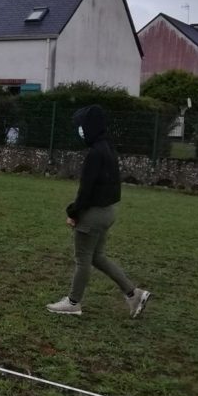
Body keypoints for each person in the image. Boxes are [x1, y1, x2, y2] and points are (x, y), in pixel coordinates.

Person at [47, 105, 151, 317]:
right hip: (108, 212)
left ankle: (73, 302)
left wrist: (73, 212)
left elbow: (86, 190)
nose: (80, 131)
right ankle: (134, 294)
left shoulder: (95, 153)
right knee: (97, 257)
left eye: (82, 126)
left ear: (91, 127)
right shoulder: (108, 149)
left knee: (82, 259)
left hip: (93, 215)